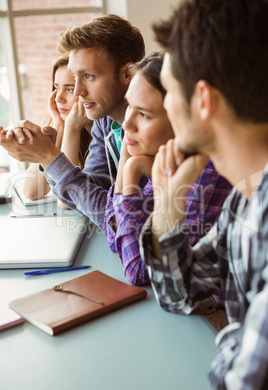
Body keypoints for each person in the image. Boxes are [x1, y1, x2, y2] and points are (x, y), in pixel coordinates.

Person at [139, 0, 268, 390]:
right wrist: (167, 207)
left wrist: (237, 332)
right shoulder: (246, 199)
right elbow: (181, 294)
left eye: (171, 92)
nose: (168, 107)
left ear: (204, 100)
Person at [0, 14, 145, 227]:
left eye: (88, 76)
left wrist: (49, 157)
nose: (78, 91)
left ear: (127, 74)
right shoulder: (105, 123)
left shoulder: (150, 126)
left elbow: (117, 219)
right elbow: (86, 194)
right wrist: (46, 153)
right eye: (74, 78)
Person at [105, 52, 232, 287]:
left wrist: (131, 172)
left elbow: (139, 270)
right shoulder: (163, 155)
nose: (126, 124)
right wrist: (126, 160)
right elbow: (115, 237)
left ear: (180, 117)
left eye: (143, 114)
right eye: (129, 106)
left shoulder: (205, 174)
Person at [23, 56, 92, 208]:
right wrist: (59, 127)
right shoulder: (60, 122)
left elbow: (68, 201)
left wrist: (71, 128)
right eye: (56, 88)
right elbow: (32, 191)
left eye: (70, 89)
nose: (59, 98)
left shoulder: (102, 133)